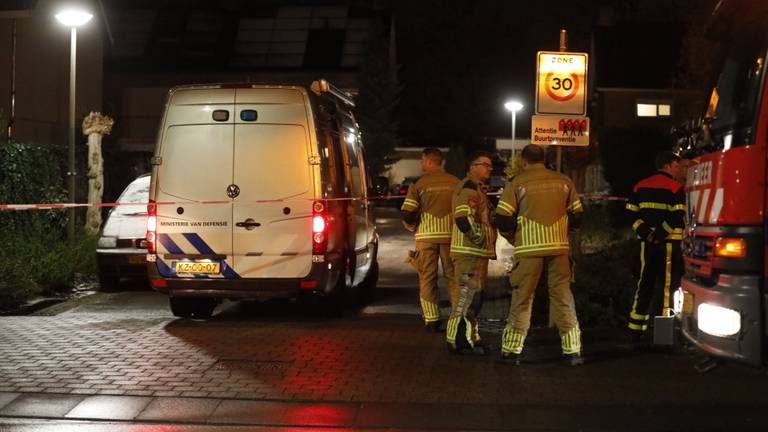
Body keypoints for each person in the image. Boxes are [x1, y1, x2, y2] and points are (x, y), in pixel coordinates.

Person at [494, 144, 585, 366]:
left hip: (528, 249)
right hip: (558, 248)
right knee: (563, 296)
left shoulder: (518, 182)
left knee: (522, 297)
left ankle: (512, 351)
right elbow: (578, 215)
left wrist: (514, 238)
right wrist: (564, 233)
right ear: (544, 159)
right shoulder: (563, 180)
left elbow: (503, 219)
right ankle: (573, 351)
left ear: (524, 162)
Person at [625, 151, 685, 345]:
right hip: (669, 244)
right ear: (667, 166)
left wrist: (646, 233)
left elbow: (631, 214)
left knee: (645, 283)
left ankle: (636, 331)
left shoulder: (639, 185)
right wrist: (660, 234)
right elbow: (678, 217)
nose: (678, 170)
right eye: (676, 166)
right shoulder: (676, 187)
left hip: (647, 245)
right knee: (667, 288)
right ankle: (663, 336)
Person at [401, 148, 460, 332]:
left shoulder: (419, 184)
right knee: (453, 278)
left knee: (427, 278)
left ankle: (432, 320)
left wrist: (413, 225)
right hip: (451, 237)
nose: (420, 164)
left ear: (427, 160)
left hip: (426, 237)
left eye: (421, 160)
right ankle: (457, 321)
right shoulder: (456, 182)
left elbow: (408, 212)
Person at [446, 151, 497, 355]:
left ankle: (464, 337)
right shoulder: (468, 189)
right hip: (469, 253)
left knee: (471, 297)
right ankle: (462, 342)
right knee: (468, 298)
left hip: (475, 253)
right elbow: (462, 218)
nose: (489, 169)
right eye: (485, 165)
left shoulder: (477, 189)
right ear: (473, 167)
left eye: (491, 166)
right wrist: (480, 239)